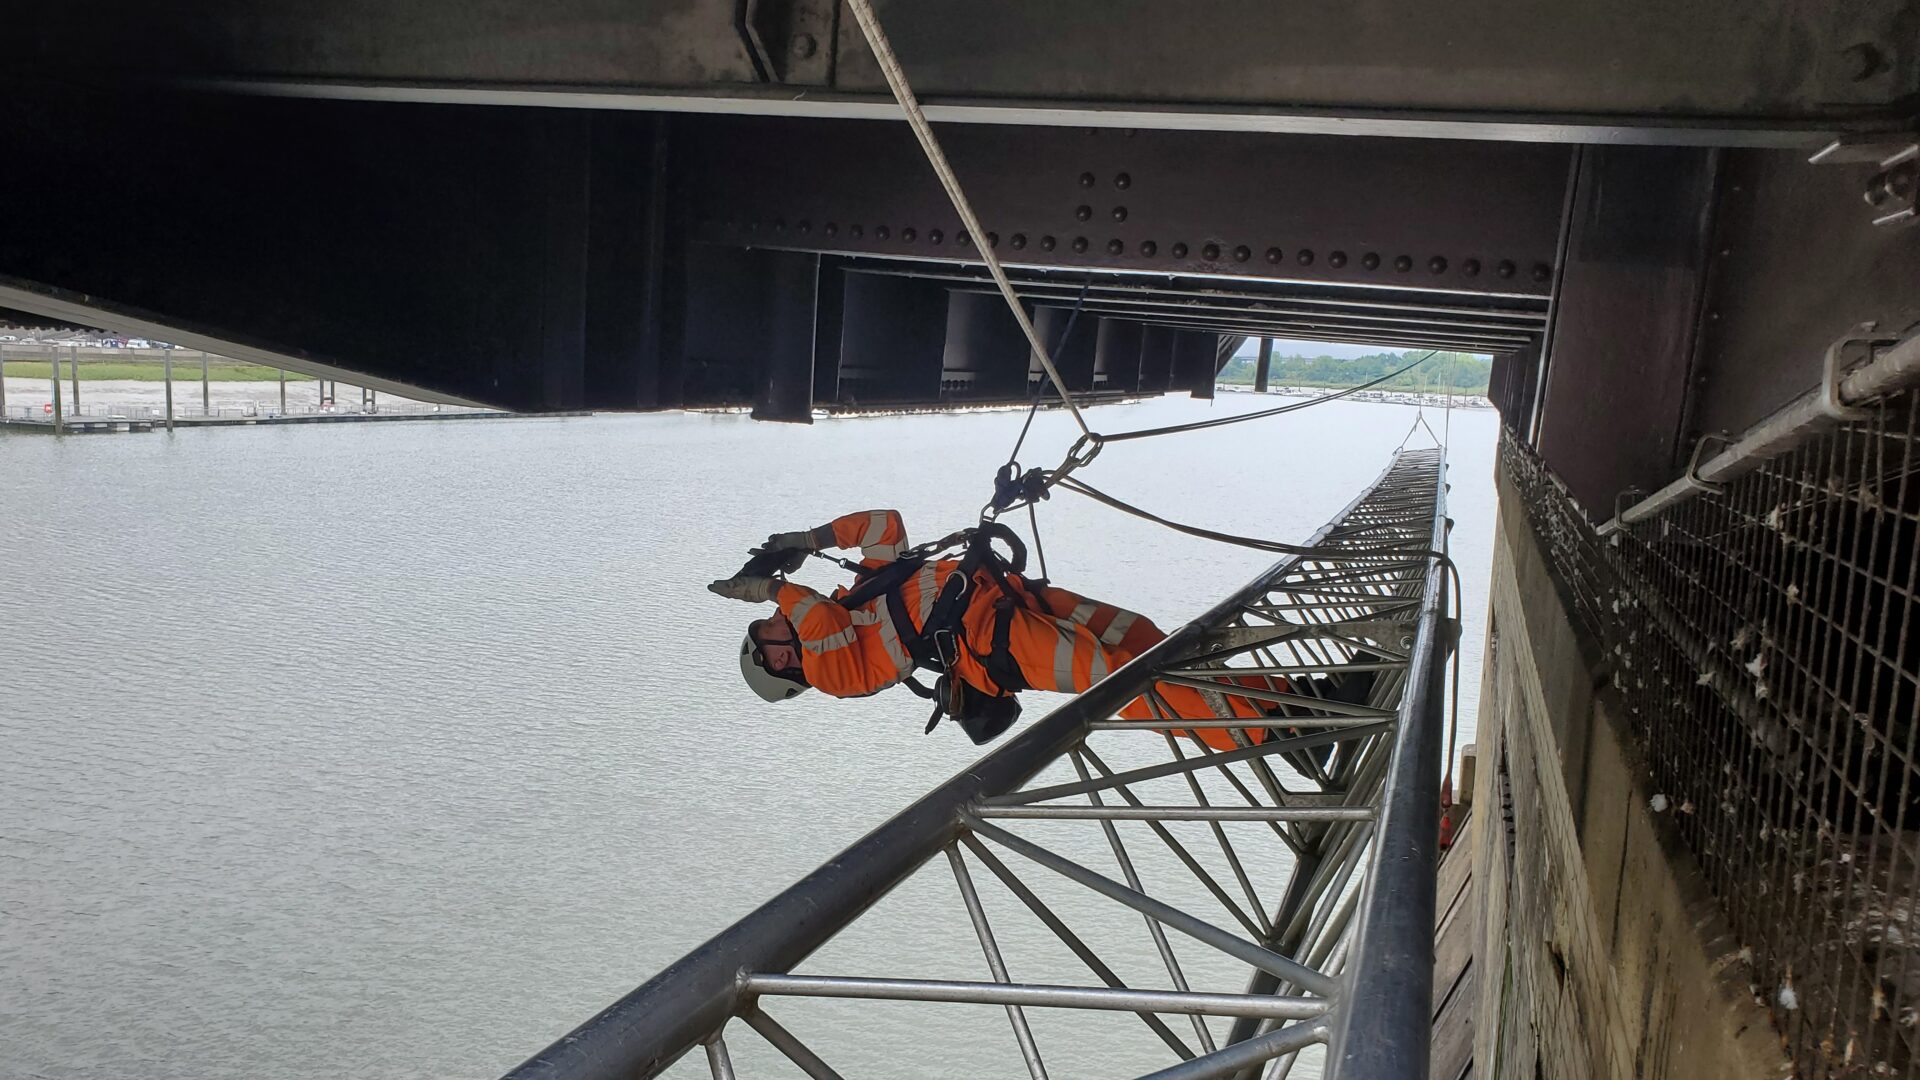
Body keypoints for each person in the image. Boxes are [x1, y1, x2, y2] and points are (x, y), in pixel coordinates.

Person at [709, 509, 1338, 747]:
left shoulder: (857, 593)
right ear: (783, 666)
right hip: (992, 645)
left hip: (1007, 598)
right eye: (766, 630)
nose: (771, 618)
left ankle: (1294, 696)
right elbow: (813, 615)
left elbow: (886, 528)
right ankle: (1280, 728)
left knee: (1143, 637)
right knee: (1133, 682)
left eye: (766, 615)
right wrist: (774, 587)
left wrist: (809, 539)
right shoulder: (831, 668)